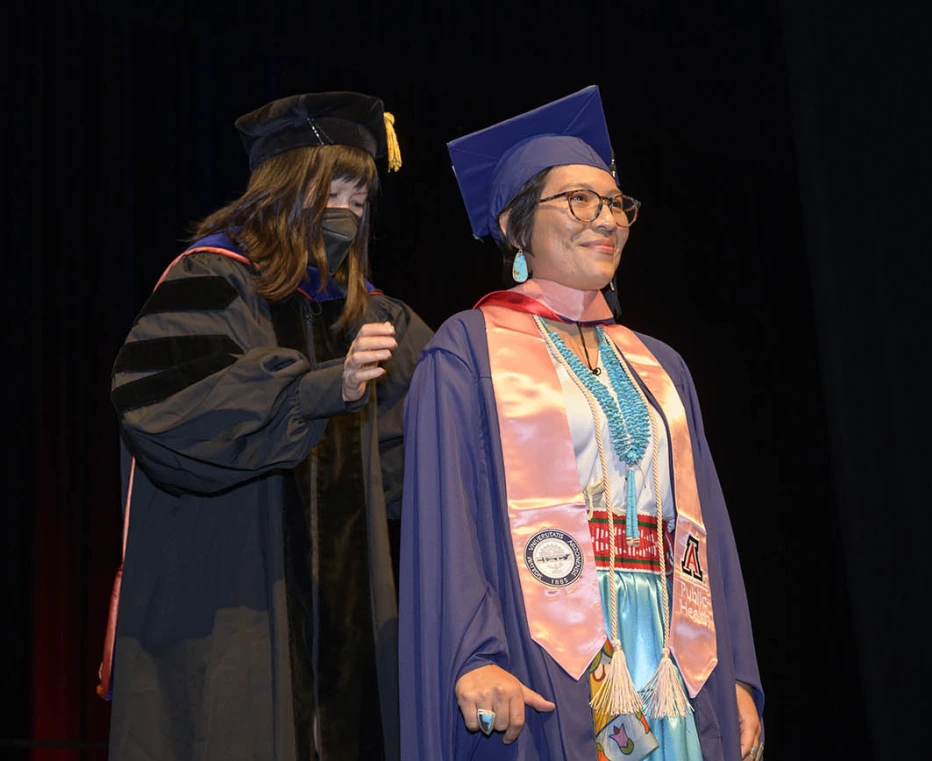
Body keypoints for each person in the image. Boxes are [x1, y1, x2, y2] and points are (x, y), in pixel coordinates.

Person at [399, 85, 765, 761]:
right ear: (515, 226)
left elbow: (707, 527)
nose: (606, 219)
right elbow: (447, 521)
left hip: (670, 655)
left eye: (616, 204)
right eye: (578, 201)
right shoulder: (467, 350)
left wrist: (739, 671)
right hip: (549, 641)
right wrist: (475, 652)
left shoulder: (661, 365)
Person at [97, 91, 433, 761]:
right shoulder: (211, 282)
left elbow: (427, 451)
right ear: (284, 189)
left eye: (362, 199)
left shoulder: (376, 319)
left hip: (350, 636)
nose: (349, 210)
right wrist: (312, 389)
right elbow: (158, 407)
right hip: (230, 622)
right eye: (334, 187)